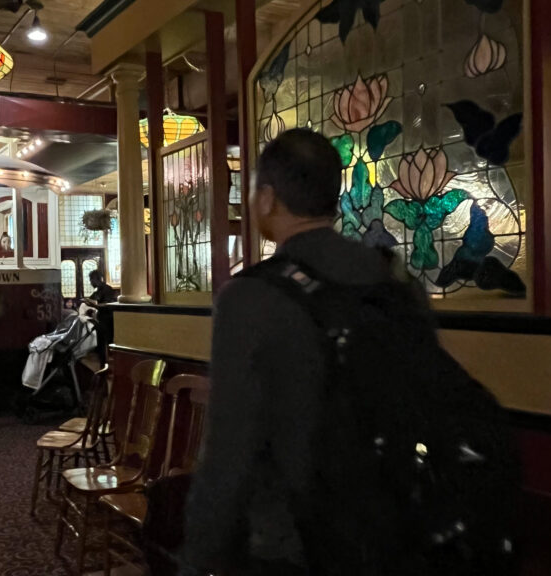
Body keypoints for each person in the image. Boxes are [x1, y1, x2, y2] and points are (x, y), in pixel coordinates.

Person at [181, 129, 518, 576]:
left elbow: (228, 453)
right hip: (394, 533)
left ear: (266, 198)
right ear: (333, 198)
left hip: (294, 545)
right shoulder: (394, 281)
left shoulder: (250, 298)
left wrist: (198, 559)